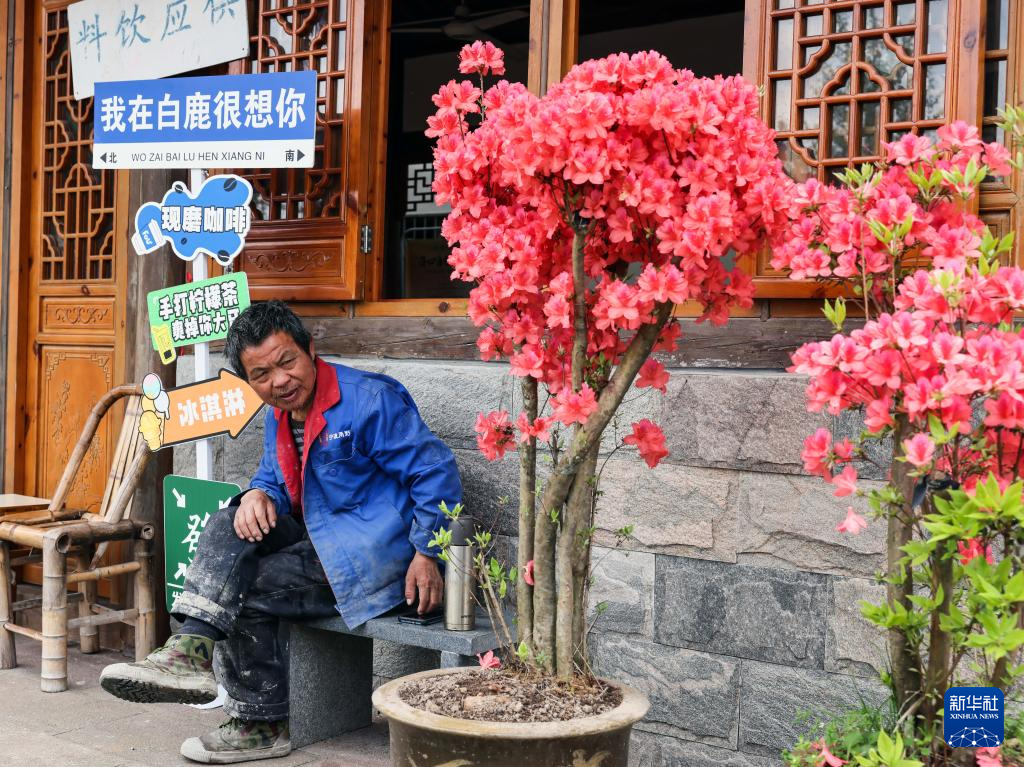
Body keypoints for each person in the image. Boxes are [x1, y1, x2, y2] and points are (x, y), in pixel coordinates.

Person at [99, 301, 462, 764]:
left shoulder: (369, 399)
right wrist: (255, 494)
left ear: (310, 350)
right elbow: (275, 477)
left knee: (243, 587)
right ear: (250, 379)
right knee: (229, 518)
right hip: (317, 544)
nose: (279, 381)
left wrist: (427, 553)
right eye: (262, 374)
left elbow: (435, 473)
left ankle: (261, 723)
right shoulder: (279, 411)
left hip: (378, 557)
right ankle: (190, 648)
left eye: (287, 362)